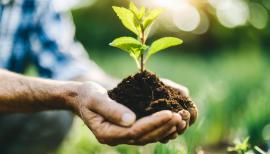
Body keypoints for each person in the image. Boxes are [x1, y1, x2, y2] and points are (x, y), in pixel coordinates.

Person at [0, 0, 194, 154]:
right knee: (57, 101)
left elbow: (68, 65)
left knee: (55, 116)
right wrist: (70, 94)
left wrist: (114, 93)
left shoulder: (36, 3)